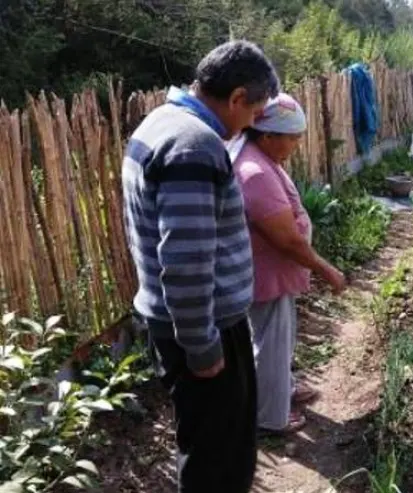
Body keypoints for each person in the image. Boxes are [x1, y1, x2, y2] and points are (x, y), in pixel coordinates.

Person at [121, 40, 279, 493]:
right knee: (218, 457)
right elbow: (186, 258)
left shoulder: (160, 124)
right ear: (235, 98)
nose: (250, 124)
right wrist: (202, 344)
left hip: (184, 321)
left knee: (207, 442)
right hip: (202, 326)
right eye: (252, 112)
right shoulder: (194, 145)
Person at [231, 93, 347, 436]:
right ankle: (269, 416)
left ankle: (283, 388)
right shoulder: (254, 173)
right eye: (292, 137)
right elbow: (287, 240)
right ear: (268, 135)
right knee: (269, 342)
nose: (297, 144)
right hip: (267, 275)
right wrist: (326, 269)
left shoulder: (260, 159)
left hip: (274, 274)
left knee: (280, 336)